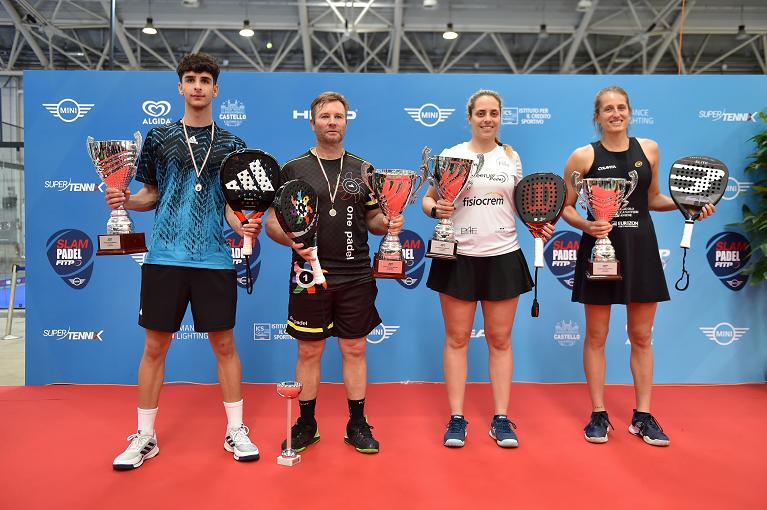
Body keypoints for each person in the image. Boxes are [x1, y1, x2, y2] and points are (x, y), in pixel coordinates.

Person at [107, 53, 262, 469]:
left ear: (215, 89)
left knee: (225, 345)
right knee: (155, 347)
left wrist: (243, 225)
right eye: (190, 79)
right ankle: (145, 436)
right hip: (164, 258)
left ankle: (235, 430)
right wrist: (125, 200)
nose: (197, 86)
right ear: (180, 87)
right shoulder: (158, 138)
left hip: (214, 258)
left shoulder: (233, 145)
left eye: (205, 80)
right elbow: (151, 195)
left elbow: (233, 207)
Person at [562, 85, 715, 447]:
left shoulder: (649, 149)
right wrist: (587, 224)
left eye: (621, 107)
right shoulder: (582, 157)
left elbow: (653, 198)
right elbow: (566, 207)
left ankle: (642, 416)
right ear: (597, 117)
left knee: (642, 337)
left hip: (641, 249)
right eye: (608, 109)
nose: (616, 113)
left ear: (630, 112)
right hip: (599, 248)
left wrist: (687, 204)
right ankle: (598, 414)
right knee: (596, 336)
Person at [265, 91, 403, 454]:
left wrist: (388, 222)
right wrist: (291, 241)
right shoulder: (292, 169)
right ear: (312, 123)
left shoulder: (364, 169)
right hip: (308, 274)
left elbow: (373, 219)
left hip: (356, 273)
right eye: (324, 116)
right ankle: (306, 424)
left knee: (355, 349)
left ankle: (357, 423)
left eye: (338, 116)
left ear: (346, 122)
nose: (332, 122)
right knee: (309, 352)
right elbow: (272, 224)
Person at [421, 89, 554, 448]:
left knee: (500, 340)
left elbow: (522, 205)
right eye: (481, 113)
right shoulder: (451, 156)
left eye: (493, 113)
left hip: (503, 254)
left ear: (500, 117)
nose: (487, 119)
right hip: (458, 256)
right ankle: (456, 418)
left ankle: (500, 419)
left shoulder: (510, 157)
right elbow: (428, 199)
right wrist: (436, 211)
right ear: (469, 117)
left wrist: (538, 223)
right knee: (457, 339)